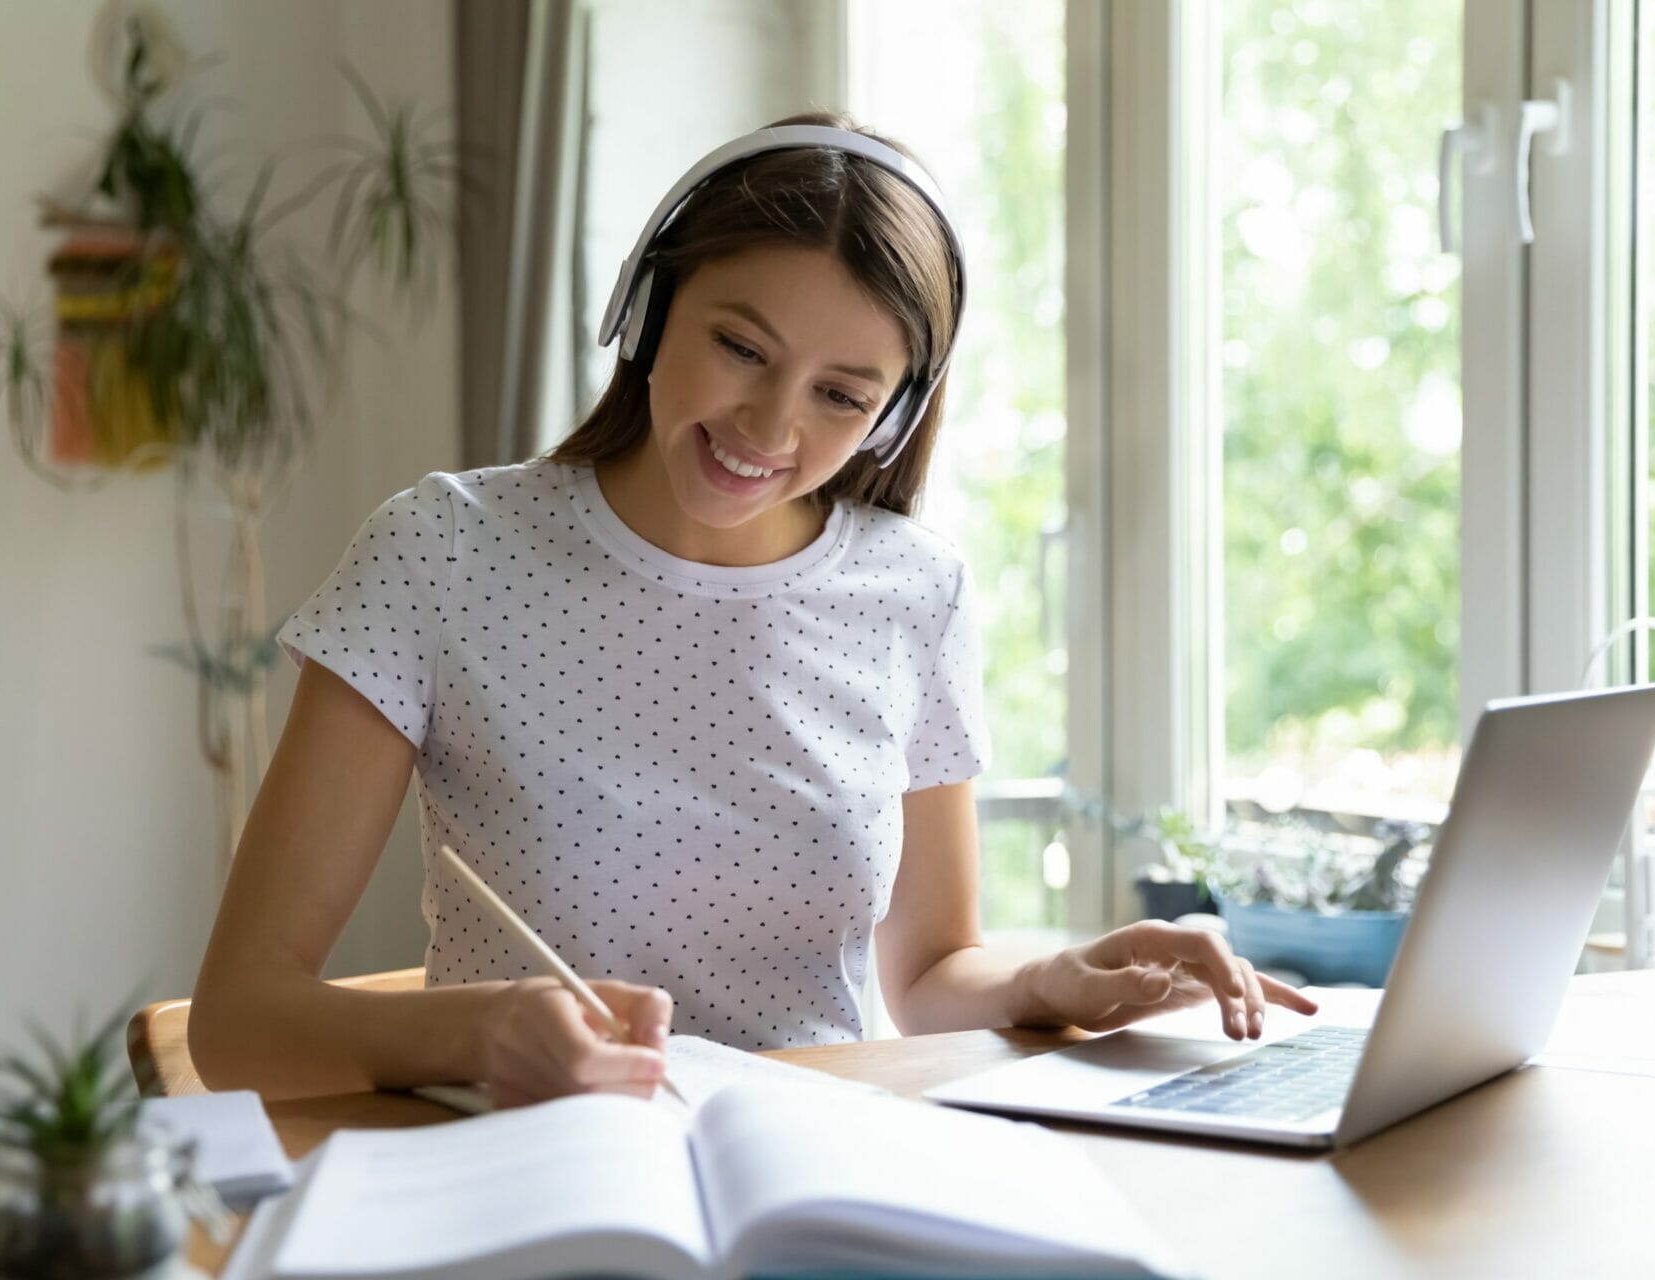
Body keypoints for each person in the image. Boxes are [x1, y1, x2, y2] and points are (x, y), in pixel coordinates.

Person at [190, 112, 1316, 1108]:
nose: (770, 428)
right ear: (647, 306)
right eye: (739, 346)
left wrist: (1049, 979)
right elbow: (241, 1021)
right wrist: (477, 1033)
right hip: (532, 1184)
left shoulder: (915, 592)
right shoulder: (439, 551)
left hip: (811, 1179)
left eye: (840, 394)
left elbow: (926, 977)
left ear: (891, 416)